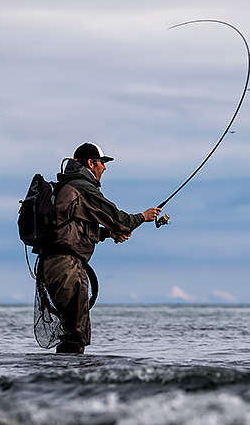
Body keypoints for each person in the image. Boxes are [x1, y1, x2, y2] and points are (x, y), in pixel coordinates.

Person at [38, 142, 161, 353]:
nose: (105, 168)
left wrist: (107, 233)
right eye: (102, 163)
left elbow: (73, 227)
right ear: (90, 163)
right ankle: (69, 382)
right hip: (67, 267)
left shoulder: (66, 187)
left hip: (54, 265)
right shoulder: (81, 187)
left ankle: (63, 381)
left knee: (72, 331)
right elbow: (119, 219)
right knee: (76, 334)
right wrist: (142, 217)